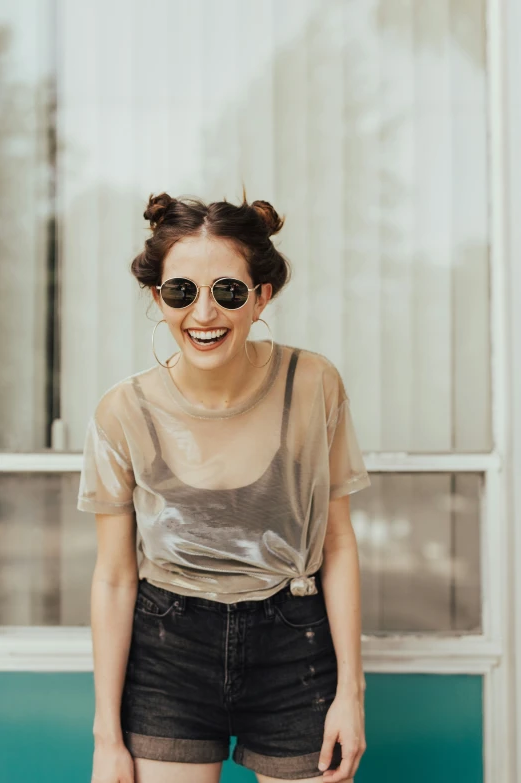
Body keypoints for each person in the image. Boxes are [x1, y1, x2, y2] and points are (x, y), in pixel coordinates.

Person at [77, 189, 371, 783]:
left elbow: (337, 543)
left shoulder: (312, 384)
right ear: (158, 297)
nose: (204, 313)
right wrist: (107, 737)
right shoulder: (122, 411)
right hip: (168, 652)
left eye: (228, 291)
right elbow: (113, 576)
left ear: (262, 296)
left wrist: (351, 694)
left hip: (296, 645)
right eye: (182, 292)